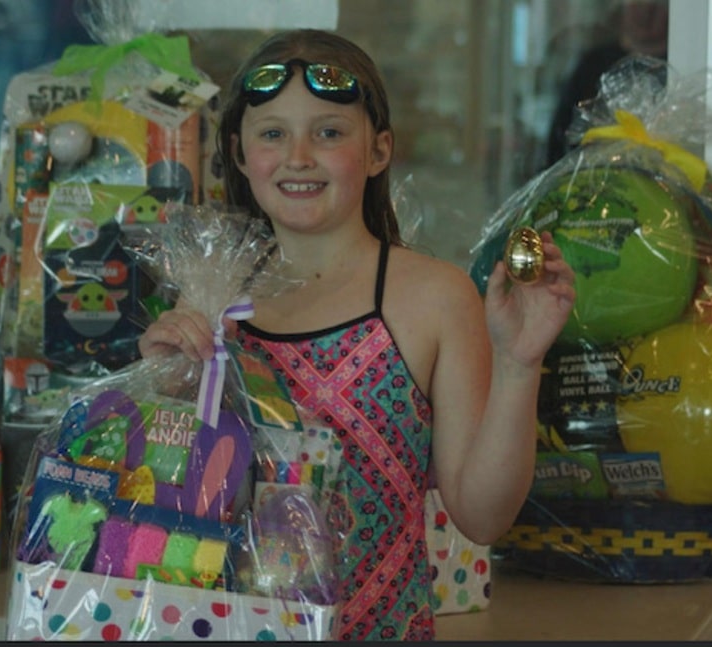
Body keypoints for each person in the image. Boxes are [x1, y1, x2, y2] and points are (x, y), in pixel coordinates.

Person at [139, 29, 575, 641]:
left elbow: (482, 517)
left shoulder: (434, 298)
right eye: (273, 134)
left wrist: (519, 364)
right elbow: (166, 501)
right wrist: (160, 387)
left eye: (329, 133)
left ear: (378, 151)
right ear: (238, 154)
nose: (299, 156)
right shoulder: (212, 298)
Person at [545, 0, 668, 166]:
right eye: (636, 3)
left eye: (655, 5)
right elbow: (563, 130)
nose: (645, 13)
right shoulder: (593, 64)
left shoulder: (679, 63)